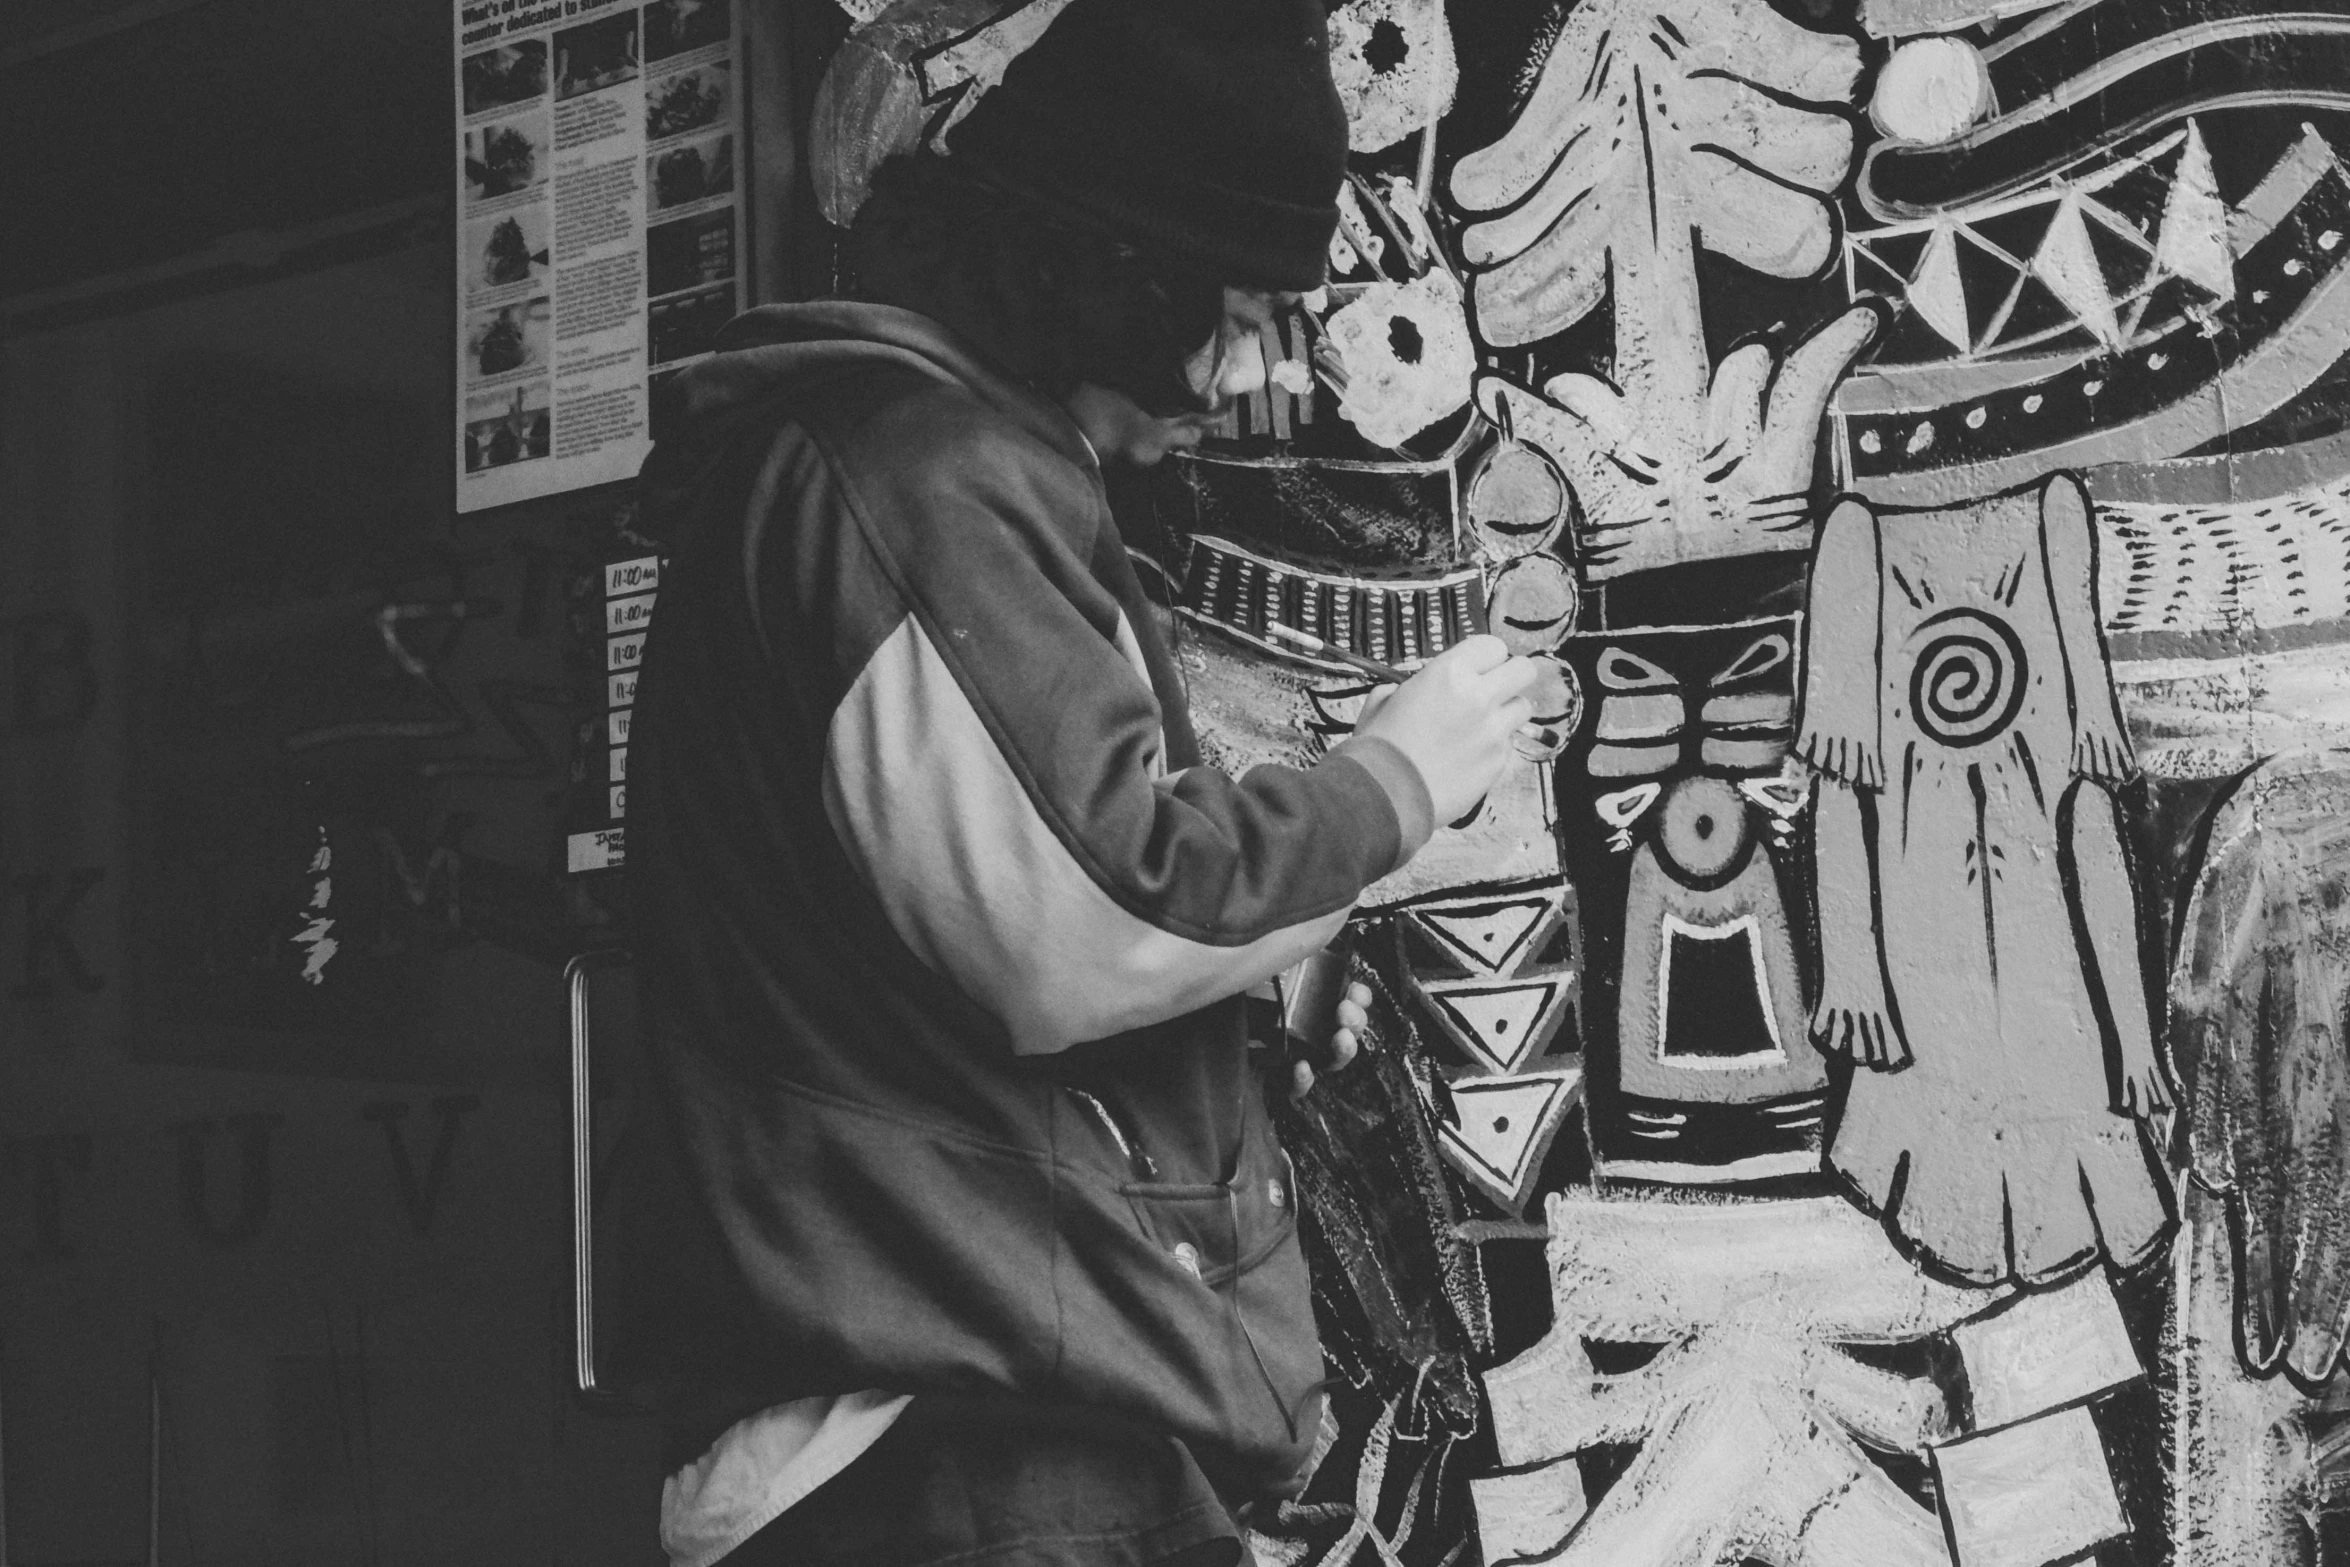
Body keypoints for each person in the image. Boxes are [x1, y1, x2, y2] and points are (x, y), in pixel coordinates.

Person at [618, 2, 1539, 1563]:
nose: (1257, 372)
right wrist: (1395, 777)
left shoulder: (914, 471)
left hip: (990, 1427)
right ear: (1099, 275)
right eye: (1233, 308)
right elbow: (1095, 913)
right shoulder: (918, 480)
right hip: (956, 1449)